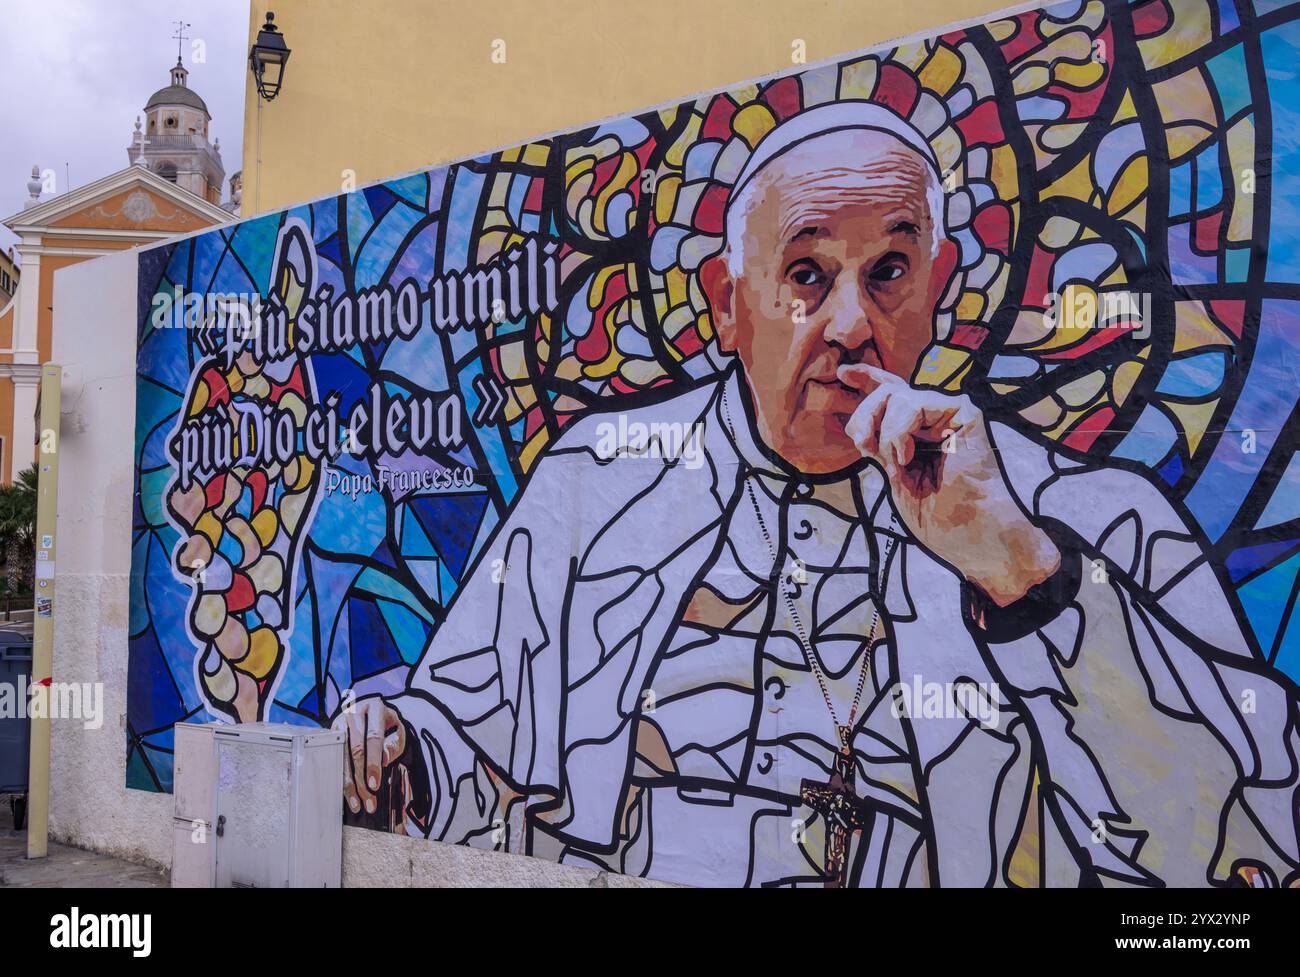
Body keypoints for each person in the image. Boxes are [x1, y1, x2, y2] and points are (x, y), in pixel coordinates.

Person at [336, 102, 1300, 887]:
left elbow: (1233, 854)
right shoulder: (595, 480)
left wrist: (1018, 575)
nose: (850, 324)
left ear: (942, 286)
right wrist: (400, 755)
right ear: (727, 304)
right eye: (806, 276)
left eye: (889, 273)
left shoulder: (1080, 521)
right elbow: (474, 744)